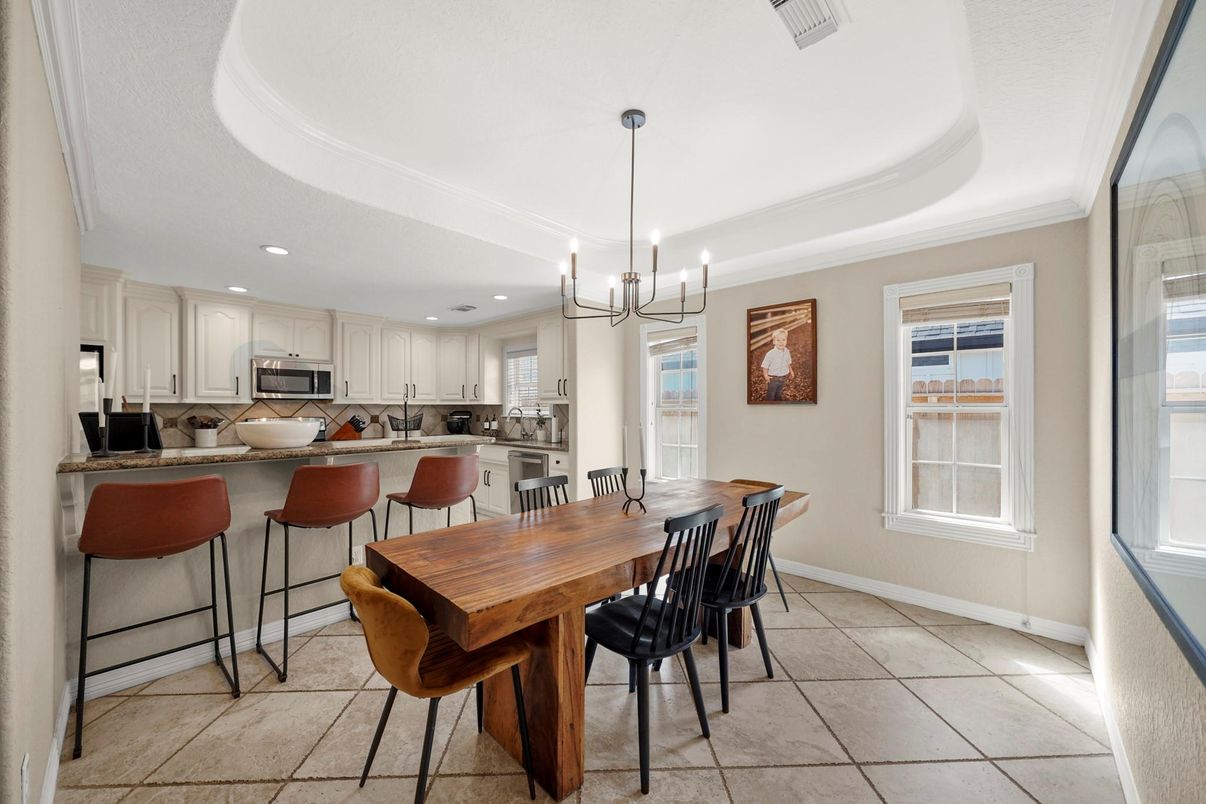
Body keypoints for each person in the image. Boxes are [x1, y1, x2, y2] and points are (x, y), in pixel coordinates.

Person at [761, 328, 793, 401]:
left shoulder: (787, 351)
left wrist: (791, 371)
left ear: (786, 341)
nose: (781, 342)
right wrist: (766, 376)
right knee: (771, 395)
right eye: (778, 340)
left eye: (783, 340)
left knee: (779, 392)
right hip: (773, 378)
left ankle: (778, 401)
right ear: (774, 342)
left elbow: (788, 362)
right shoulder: (770, 354)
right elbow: (765, 366)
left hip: (783, 377)